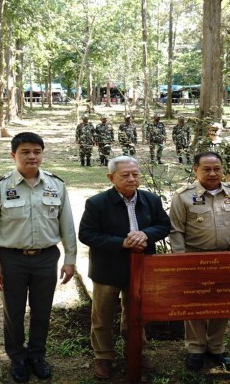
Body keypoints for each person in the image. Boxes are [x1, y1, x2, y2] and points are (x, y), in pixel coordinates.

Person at [0, 132, 77, 383]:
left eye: (37, 151)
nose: (32, 156)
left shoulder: (57, 185)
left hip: (46, 258)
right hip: (12, 259)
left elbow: (67, 226)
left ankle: (37, 355)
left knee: (42, 310)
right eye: (25, 152)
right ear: (14, 155)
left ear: (42, 154)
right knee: (13, 311)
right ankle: (18, 357)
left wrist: (70, 259)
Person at [78, 156, 170, 379]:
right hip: (107, 269)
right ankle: (103, 356)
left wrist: (145, 234)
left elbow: (164, 226)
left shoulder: (151, 200)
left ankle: (136, 352)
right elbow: (86, 234)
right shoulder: (97, 203)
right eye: (125, 175)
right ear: (111, 177)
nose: (132, 179)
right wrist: (121, 242)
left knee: (136, 314)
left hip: (141, 270)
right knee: (102, 316)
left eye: (135, 174)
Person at [170, 152, 230, 372]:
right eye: (207, 169)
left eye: (217, 168)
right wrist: (180, 260)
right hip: (195, 257)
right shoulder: (183, 196)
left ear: (223, 169)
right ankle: (195, 348)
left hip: (226, 258)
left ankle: (216, 347)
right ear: (195, 170)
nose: (213, 173)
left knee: (222, 303)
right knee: (195, 304)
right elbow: (176, 230)